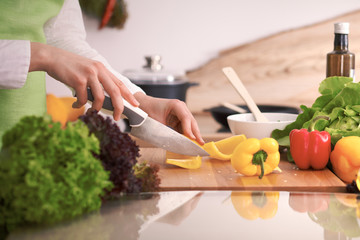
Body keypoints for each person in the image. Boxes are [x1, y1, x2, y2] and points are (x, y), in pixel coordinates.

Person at [0, 0, 204, 147]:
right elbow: (53, 53)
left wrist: (140, 103)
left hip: (28, 136)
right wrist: (43, 55)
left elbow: (62, 38)